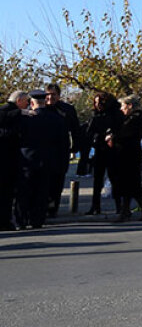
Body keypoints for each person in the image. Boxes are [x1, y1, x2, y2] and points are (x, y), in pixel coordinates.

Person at [15, 90, 64, 229]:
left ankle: (22, 220)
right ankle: (37, 220)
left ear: (31, 103)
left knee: (24, 191)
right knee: (42, 192)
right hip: (47, 160)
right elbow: (62, 142)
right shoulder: (57, 118)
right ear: (44, 102)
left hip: (26, 159)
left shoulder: (25, 119)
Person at [109, 95, 142, 222]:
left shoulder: (135, 118)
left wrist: (113, 137)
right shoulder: (129, 118)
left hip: (130, 154)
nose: (121, 109)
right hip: (125, 154)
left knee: (131, 182)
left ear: (130, 106)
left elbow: (125, 133)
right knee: (126, 184)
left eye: (123, 106)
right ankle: (126, 210)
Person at [44, 83, 79, 217]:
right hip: (44, 151)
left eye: (53, 94)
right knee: (44, 181)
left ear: (59, 96)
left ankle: (53, 209)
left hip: (61, 150)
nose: (50, 98)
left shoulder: (67, 109)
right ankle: (44, 207)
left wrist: (75, 148)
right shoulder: (40, 108)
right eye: (48, 94)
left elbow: (75, 130)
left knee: (57, 181)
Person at [85, 92, 121, 215]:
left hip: (113, 151)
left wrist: (111, 135)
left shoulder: (116, 115)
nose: (97, 105)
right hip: (99, 150)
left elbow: (119, 131)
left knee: (114, 178)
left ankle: (119, 206)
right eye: (95, 103)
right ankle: (95, 206)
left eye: (100, 102)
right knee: (97, 180)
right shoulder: (95, 116)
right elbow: (89, 133)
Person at [1, 91, 30, 231]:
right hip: (6, 160)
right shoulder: (8, 111)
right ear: (19, 100)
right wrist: (21, 113)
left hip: (10, 160)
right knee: (6, 193)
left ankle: (6, 220)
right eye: (26, 102)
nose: (27, 105)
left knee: (8, 193)